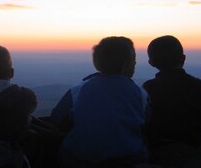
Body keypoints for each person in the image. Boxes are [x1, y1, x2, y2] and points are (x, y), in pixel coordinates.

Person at [51, 36, 150, 168]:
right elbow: (148, 123)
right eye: (134, 61)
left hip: (79, 160)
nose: (135, 64)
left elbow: (57, 118)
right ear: (126, 65)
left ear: (97, 63)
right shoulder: (139, 92)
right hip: (130, 160)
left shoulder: (79, 89)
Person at [142, 35, 201, 166]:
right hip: (193, 147)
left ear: (151, 63)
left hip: (157, 150)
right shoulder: (200, 86)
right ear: (183, 58)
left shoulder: (147, 88)